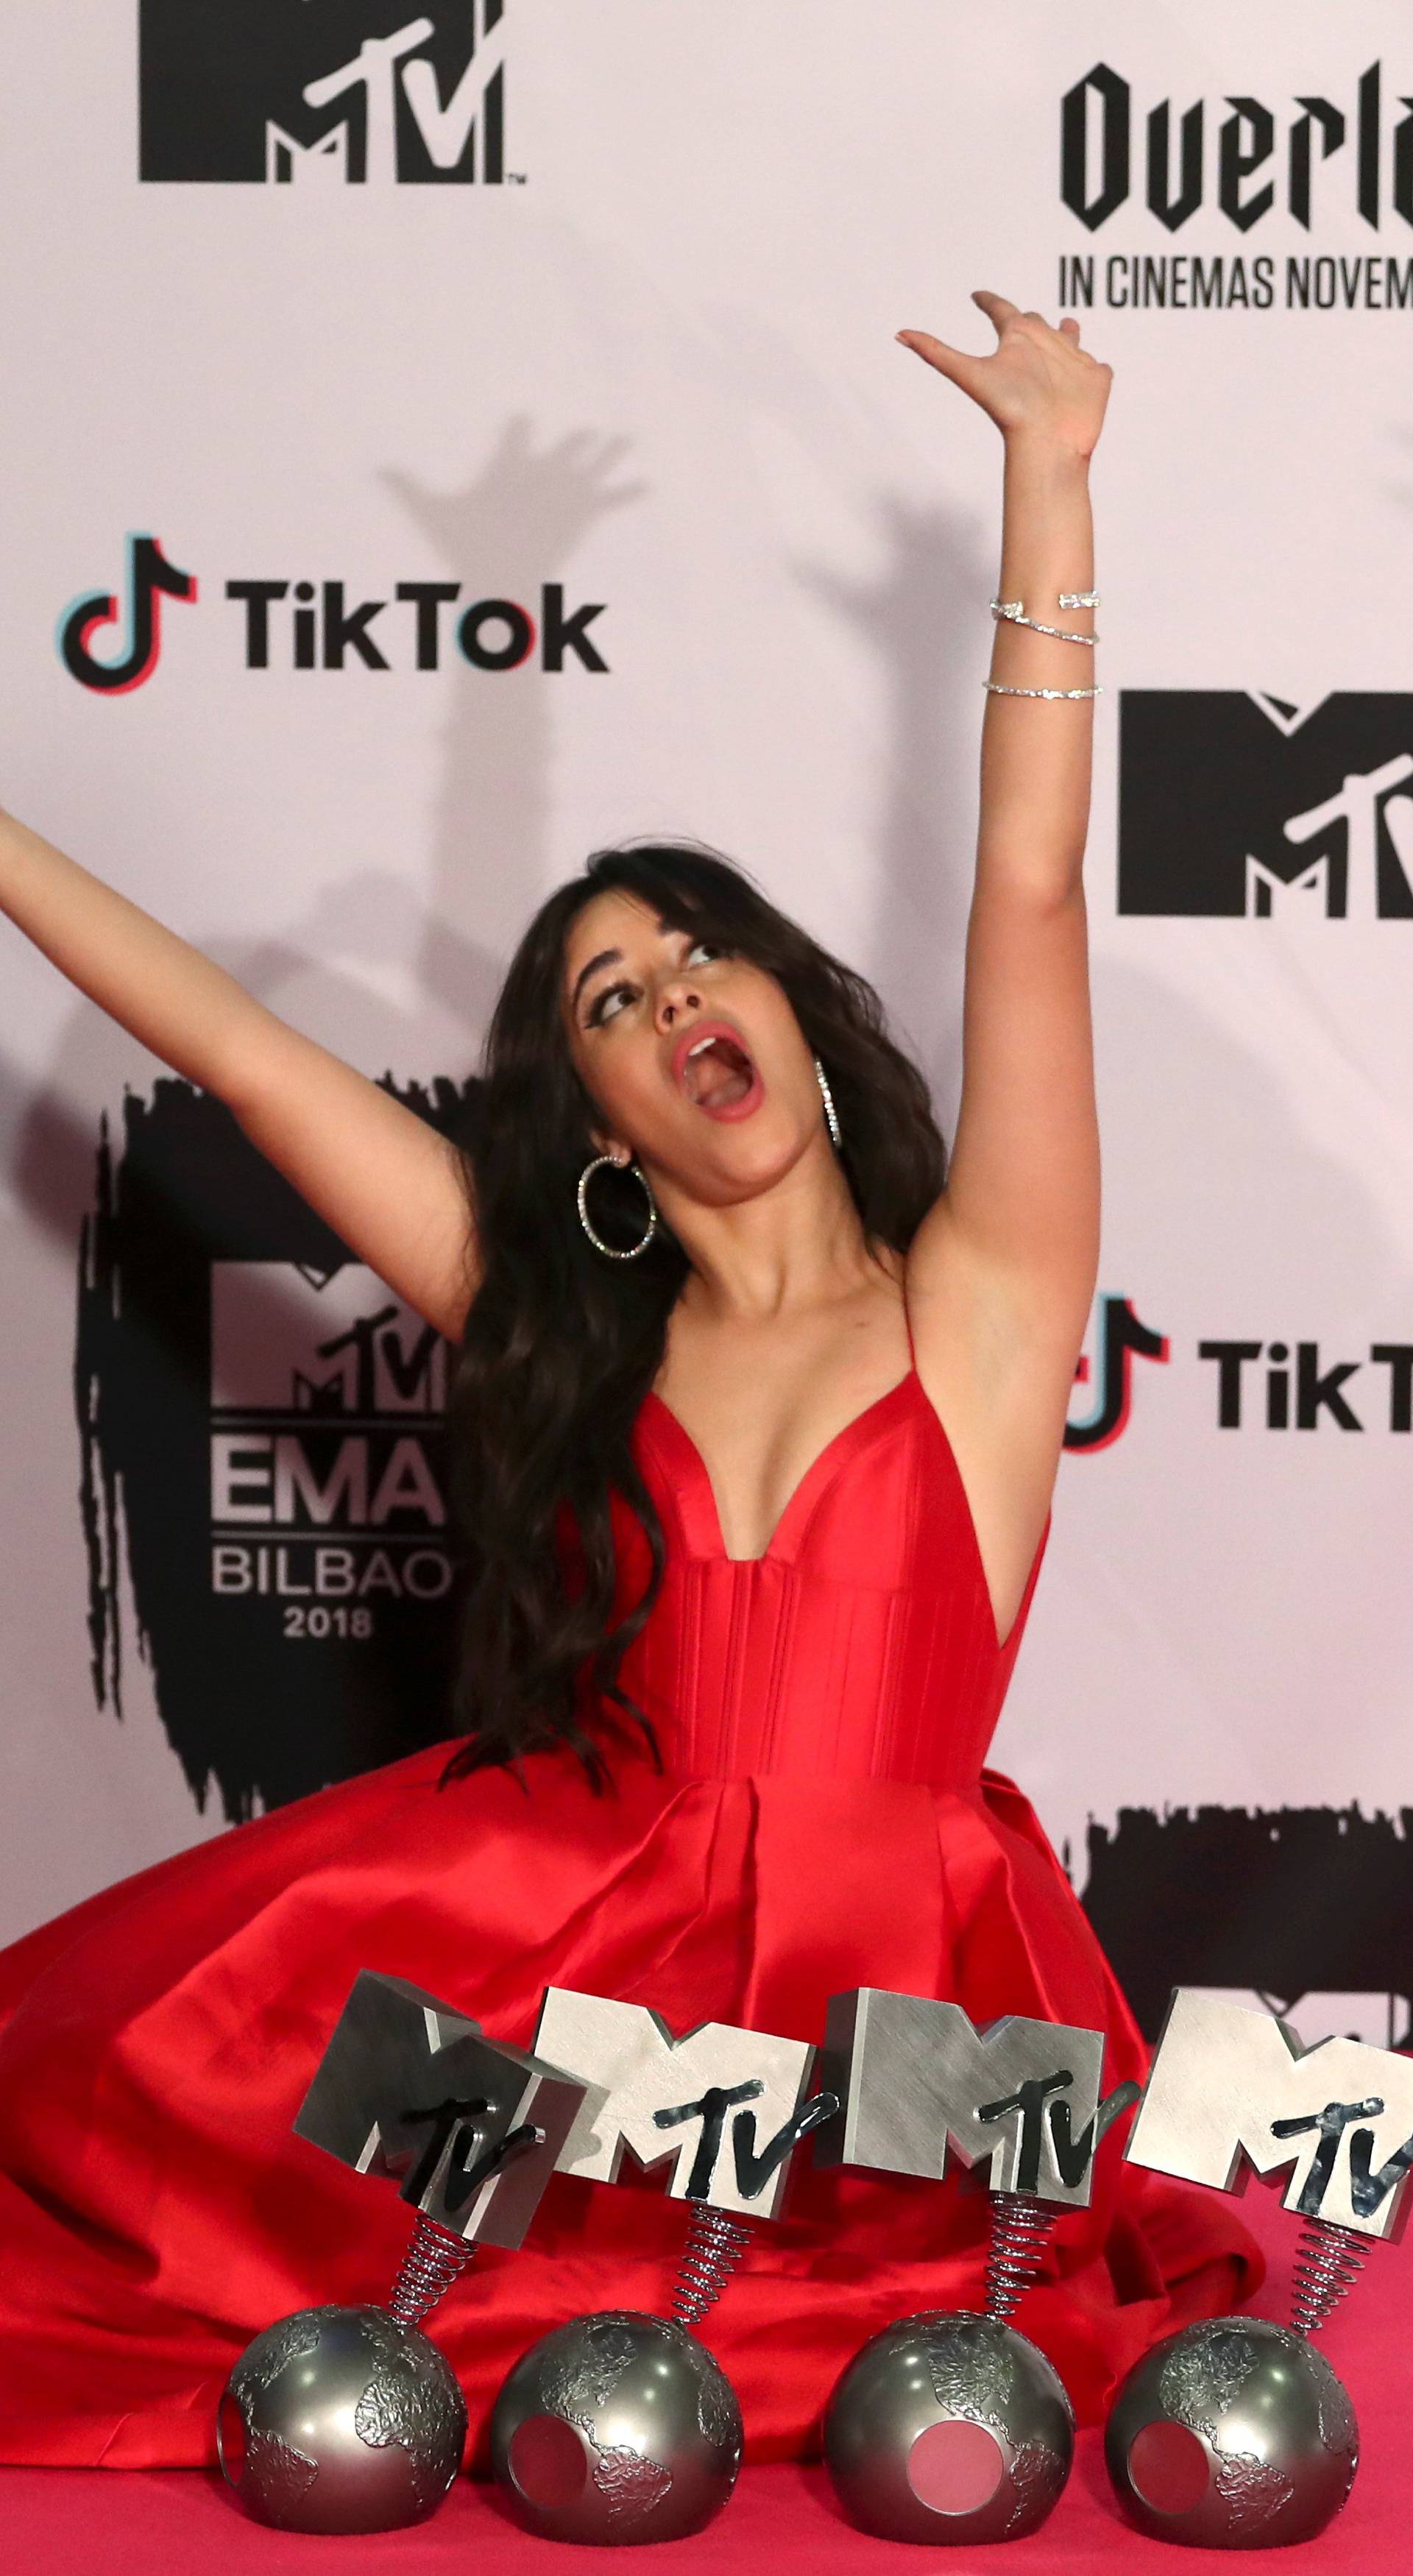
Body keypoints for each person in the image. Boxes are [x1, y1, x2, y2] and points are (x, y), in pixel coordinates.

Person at [0, 294, 1258, 2470]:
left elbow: (1034, 883)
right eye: (612, 991)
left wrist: (1051, 477)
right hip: (572, 1963)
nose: (677, 986)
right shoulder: (552, 1313)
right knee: (111, 2080)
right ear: (596, 1121)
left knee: (914, 2357)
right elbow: (238, 1050)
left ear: (779, 992)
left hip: (900, 2003)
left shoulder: (980, 1293)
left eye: (700, 944)